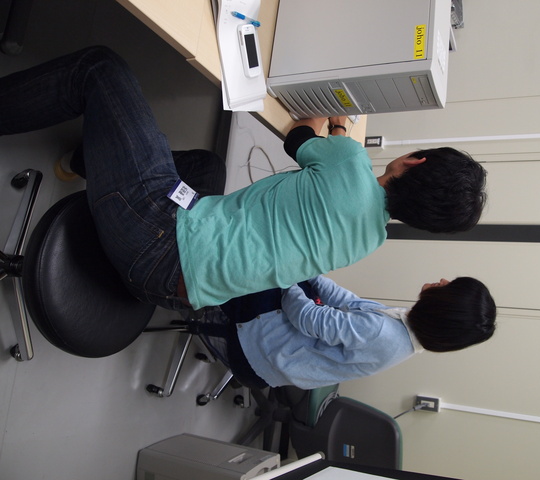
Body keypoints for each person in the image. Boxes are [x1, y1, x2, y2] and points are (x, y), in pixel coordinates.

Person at [0, 46, 488, 312]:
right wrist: (341, 136)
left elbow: (298, 136)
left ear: (416, 161)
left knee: (100, 69)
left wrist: (333, 115)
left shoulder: (350, 163)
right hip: (174, 293)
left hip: (156, 238)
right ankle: (88, 159)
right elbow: (337, 170)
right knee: (206, 169)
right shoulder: (371, 239)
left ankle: (105, 166)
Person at [194, 275, 496, 389]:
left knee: (261, 268)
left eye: (448, 287)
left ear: (442, 308)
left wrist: (287, 275)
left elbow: (307, 317)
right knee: (296, 276)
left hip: (260, 357)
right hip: (282, 349)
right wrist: (309, 270)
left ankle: (181, 281)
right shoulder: (404, 323)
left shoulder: (384, 334)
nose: (442, 280)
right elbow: (348, 301)